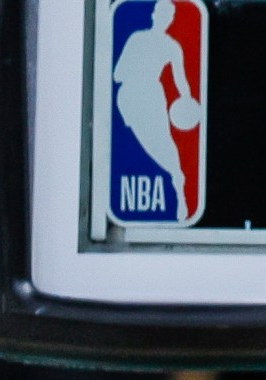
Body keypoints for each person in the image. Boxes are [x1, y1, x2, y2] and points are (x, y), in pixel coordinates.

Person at [111, 0, 196, 220]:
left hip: (148, 95)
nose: (164, 18)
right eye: (162, 13)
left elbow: (181, 81)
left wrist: (187, 102)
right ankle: (177, 179)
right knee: (144, 143)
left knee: (163, 142)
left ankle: (179, 187)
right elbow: (116, 74)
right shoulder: (138, 39)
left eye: (168, 15)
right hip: (130, 98)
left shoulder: (171, 46)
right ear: (155, 15)